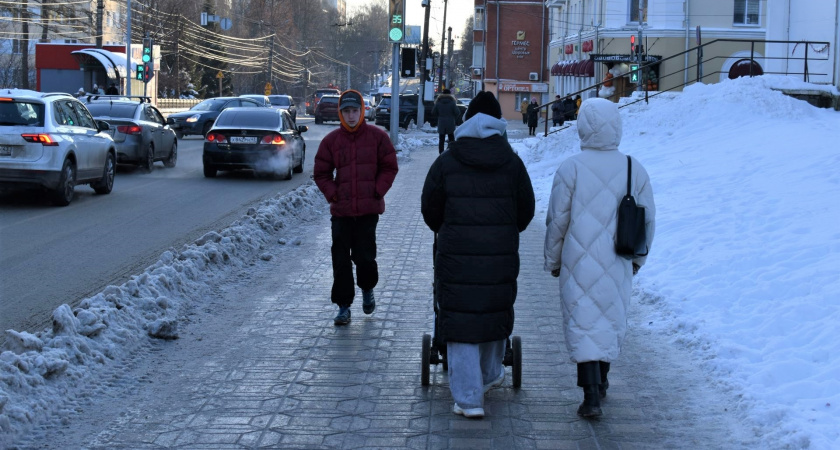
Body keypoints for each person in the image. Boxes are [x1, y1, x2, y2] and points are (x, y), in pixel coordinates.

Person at [421, 91, 535, 419]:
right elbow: (526, 212)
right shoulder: (512, 163)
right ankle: (490, 375)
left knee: (459, 319)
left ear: (466, 120)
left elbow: (430, 211)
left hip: (455, 257)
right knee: (493, 310)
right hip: (499, 256)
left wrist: (449, 228)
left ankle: (469, 398)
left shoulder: (447, 162)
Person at [543, 98, 655, 419]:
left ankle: (590, 394)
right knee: (608, 317)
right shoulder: (635, 168)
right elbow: (647, 221)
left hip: (577, 261)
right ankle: (603, 379)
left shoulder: (571, 168)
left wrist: (553, 260)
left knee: (583, 321)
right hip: (619, 259)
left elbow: (557, 221)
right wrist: (639, 259)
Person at [313, 90, 399, 326]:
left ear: (362, 111)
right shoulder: (331, 141)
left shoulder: (377, 137)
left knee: (364, 257)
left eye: (355, 111)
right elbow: (321, 173)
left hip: (368, 211)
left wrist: (377, 190)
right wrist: (333, 193)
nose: (351, 116)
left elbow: (389, 167)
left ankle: (368, 288)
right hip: (341, 211)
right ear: (341, 114)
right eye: (346, 111)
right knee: (340, 259)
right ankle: (343, 306)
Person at [431, 89, 460, 154]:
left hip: (441, 122)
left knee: (441, 139)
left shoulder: (438, 102)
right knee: (451, 138)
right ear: (450, 94)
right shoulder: (452, 102)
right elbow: (457, 112)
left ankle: (441, 153)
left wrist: (439, 116)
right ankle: (451, 152)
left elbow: (433, 112)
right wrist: (453, 117)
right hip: (450, 122)